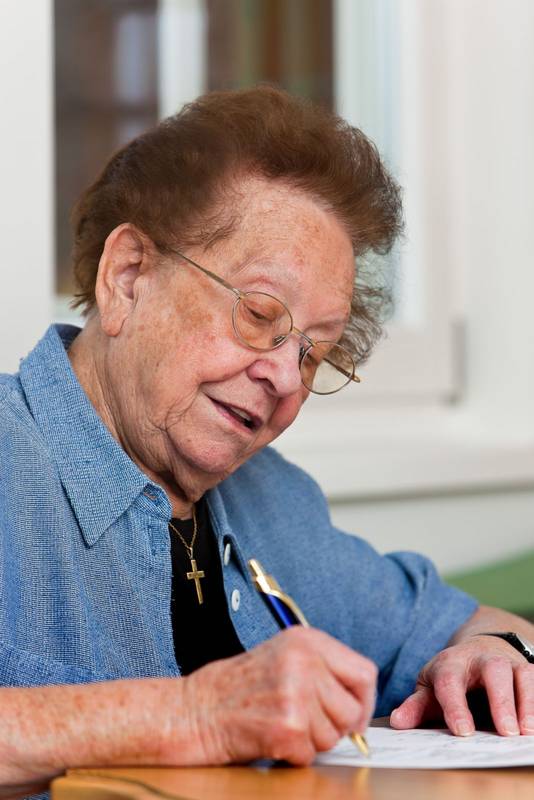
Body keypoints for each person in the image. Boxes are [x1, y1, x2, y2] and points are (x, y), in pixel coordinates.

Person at [1, 86, 533, 800]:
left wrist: (492, 653)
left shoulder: (276, 502)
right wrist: (194, 717)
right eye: (258, 315)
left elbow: (479, 623)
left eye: (315, 352)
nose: (285, 377)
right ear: (127, 278)